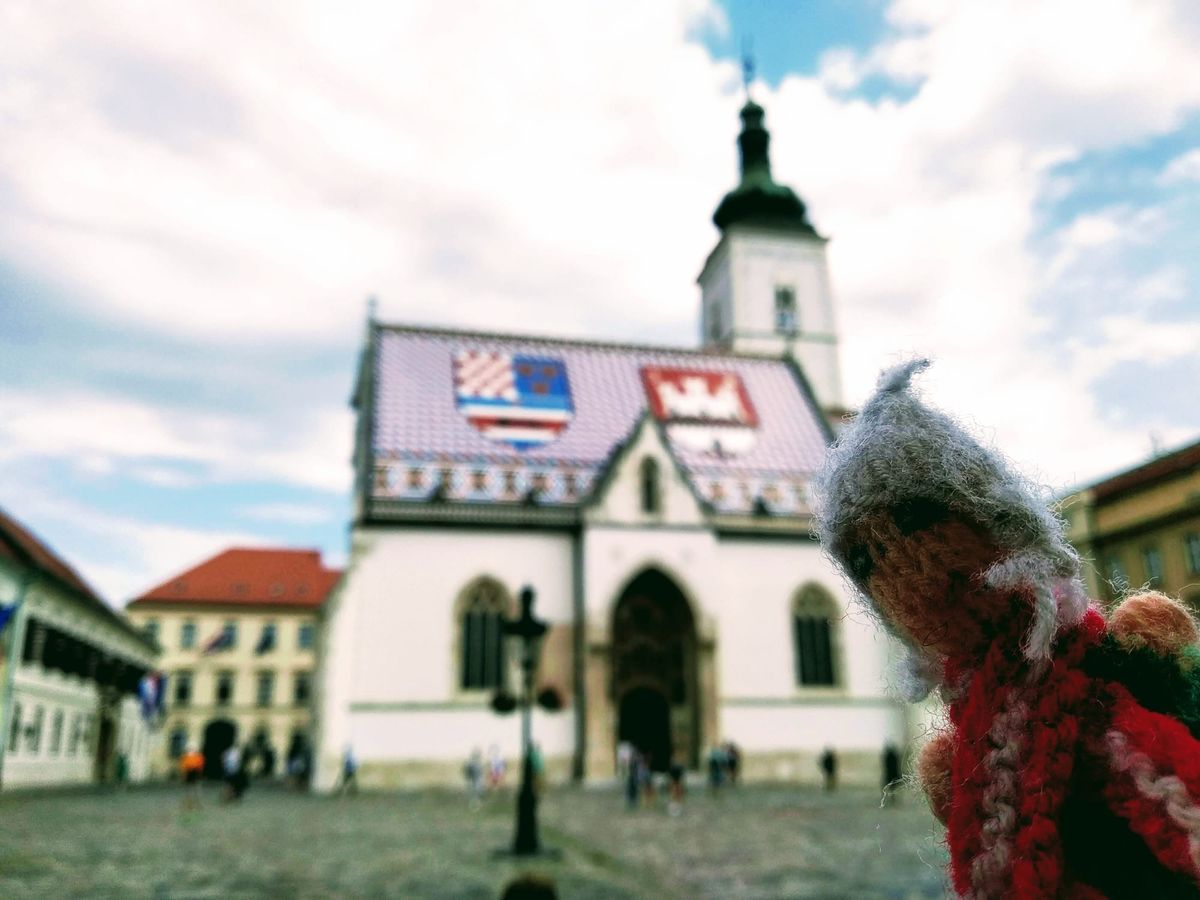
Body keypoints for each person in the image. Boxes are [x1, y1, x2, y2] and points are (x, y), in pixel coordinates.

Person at [180, 744, 204, 809]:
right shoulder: (186, 756)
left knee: (194, 790)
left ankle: (195, 804)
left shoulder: (198, 756)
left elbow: (200, 766)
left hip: (194, 773)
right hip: (190, 773)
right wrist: (184, 775)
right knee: (190, 790)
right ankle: (190, 804)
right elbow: (183, 767)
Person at [881, 742, 902, 806]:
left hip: (891, 774)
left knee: (890, 788)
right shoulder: (894, 756)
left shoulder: (889, 756)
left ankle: (891, 800)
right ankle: (892, 800)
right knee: (892, 788)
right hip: (892, 774)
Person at [667, 752, 686, 816]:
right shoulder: (673, 765)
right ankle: (674, 808)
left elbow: (681, 775)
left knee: (677, 795)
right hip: (675, 782)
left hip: (677, 782)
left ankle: (677, 807)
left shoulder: (679, 766)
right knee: (674, 795)